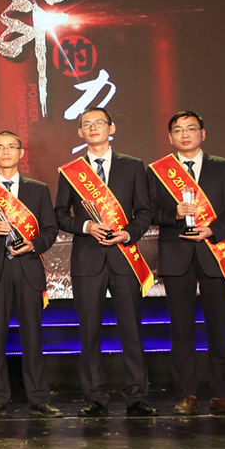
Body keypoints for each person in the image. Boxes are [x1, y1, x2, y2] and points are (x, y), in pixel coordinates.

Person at [54, 107, 157, 417]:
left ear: (112, 128)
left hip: (125, 257)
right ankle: (94, 396)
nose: (93, 128)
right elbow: (60, 214)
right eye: (87, 124)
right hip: (88, 260)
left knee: (132, 329)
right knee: (89, 331)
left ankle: (137, 396)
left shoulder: (133, 166)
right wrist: (86, 226)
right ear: (80, 133)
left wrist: (129, 233)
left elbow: (145, 211)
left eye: (99, 123)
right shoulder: (71, 171)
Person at [147, 111, 225, 415]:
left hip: (214, 254)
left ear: (202, 134)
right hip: (176, 256)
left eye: (191, 128)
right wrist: (174, 214)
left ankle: (222, 395)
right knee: (181, 331)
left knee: (219, 328)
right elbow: (148, 213)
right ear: (170, 137)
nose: (185, 134)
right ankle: (186, 395)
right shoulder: (157, 172)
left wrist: (213, 230)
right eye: (178, 130)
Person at [0, 132, 61, 419]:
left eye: (11, 147)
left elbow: (50, 230)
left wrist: (35, 244)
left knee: (32, 336)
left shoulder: (38, 189)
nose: (5, 152)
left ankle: (38, 398)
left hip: (28, 267)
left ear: (21, 152)